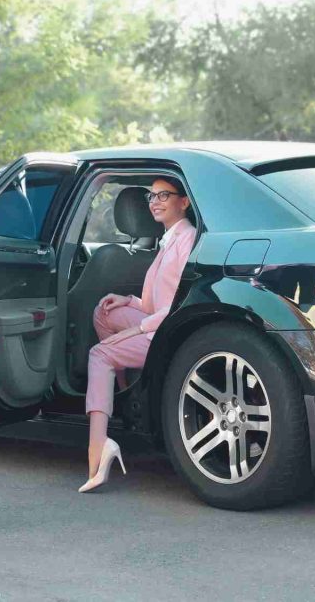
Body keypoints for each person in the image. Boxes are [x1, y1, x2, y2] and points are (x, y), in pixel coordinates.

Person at [79, 176, 197, 492]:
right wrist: (127, 301)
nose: (155, 202)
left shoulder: (187, 240)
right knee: (104, 311)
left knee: (100, 354)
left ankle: (99, 445)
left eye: (164, 195)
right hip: (155, 320)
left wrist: (135, 329)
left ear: (183, 202)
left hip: (165, 331)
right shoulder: (168, 239)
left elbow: (174, 306)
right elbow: (152, 300)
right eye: (151, 197)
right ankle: (129, 394)